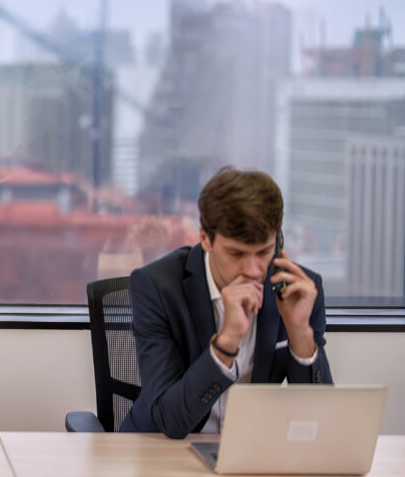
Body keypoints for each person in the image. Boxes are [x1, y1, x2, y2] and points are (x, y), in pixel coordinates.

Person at [121, 167, 333, 438]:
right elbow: (170, 420)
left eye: (264, 252)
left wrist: (300, 333)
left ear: (278, 240)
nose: (255, 270)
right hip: (160, 448)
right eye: (237, 254)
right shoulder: (157, 287)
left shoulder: (298, 291)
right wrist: (226, 342)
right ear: (205, 239)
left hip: (248, 451)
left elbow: (320, 421)